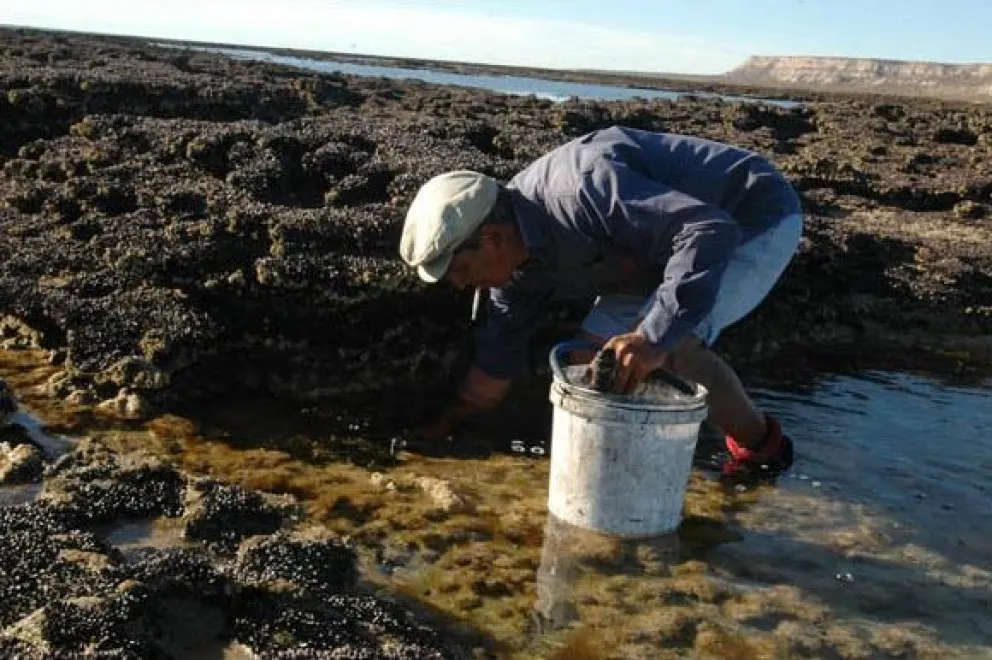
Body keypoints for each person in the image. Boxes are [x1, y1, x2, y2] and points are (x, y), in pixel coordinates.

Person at [398, 125, 803, 477]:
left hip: (748, 215)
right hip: (658, 246)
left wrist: (652, 337)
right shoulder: (515, 270)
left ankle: (762, 452)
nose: (458, 284)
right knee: (594, 363)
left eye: (459, 270)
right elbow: (494, 369)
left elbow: (708, 231)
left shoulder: (583, 189)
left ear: (492, 239)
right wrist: (444, 425)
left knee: (670, 347)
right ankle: (622, 468)